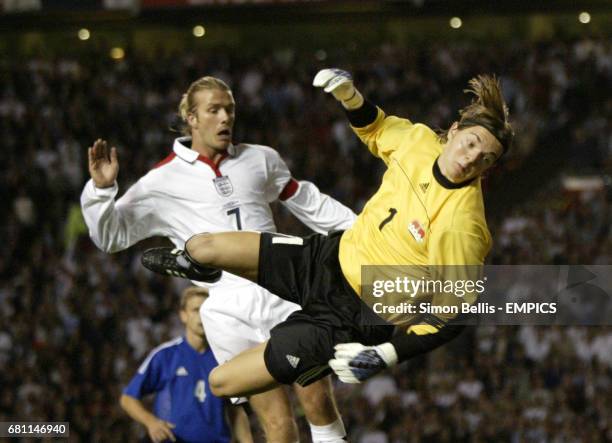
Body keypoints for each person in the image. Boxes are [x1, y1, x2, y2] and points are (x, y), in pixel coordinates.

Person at [141, 68, 514, 396]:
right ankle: (200, 268)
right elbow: (377, 127)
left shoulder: (464, 226)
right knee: (203, 246)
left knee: (221, 383)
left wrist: (387, 354)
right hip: (328, 258)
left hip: (356, 316)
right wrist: (350, 97)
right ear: (452, 132)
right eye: (470, 144)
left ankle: (314, 358)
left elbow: (452, 317)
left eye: (486, 160)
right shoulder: (418, 142)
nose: (470, 159)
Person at [81, 76, 354, 443]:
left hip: (284, 290)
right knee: (276, 423)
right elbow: (110, 237)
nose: (225, 117)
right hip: (228, 308)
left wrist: (361, 229)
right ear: (191, 118)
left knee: (317, 398)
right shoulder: (161, 181)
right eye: (214, 110)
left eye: (230, 109)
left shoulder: (261, 158)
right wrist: (101, 191)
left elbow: (306, 200)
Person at [120, 286, 253, 443]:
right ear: (183, 315)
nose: (201, 316)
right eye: (196, 310)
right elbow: (128, 398)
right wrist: (151, 422)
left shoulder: (224, 358)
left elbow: (236, 411)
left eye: (206, 310)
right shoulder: (166, 355)